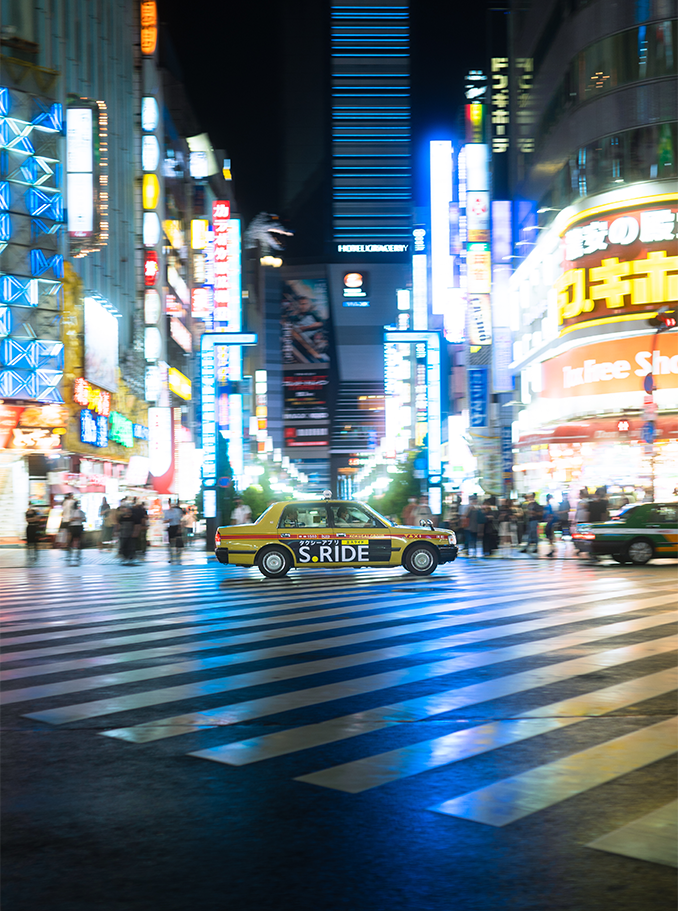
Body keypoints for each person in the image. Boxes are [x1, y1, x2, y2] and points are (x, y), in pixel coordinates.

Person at [164, 499, 184, 563]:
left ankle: (178, 553)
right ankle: (172, 555)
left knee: (178, 540)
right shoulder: (167, 512)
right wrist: (168, 520)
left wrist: (180, 528)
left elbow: (180, 520)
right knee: (171, 541)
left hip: (177, 526)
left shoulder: (177, 511)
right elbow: (164, 520)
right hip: (171, 526)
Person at [66, 500, 86, 565]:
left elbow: (84, 519)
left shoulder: (80, 512)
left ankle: (77, 549)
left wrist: (78, 518)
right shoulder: (72, 512)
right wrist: (76, 518)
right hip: (74, 526)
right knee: (73, 539)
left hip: (77, 526)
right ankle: (71, 549)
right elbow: (69, 519)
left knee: (78, 539)